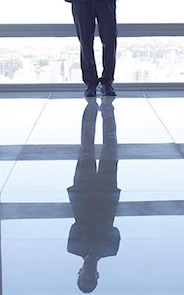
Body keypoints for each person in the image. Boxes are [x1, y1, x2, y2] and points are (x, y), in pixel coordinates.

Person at [67, 97, 120, 293]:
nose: (88, 274)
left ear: (79, 272)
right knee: (110, 147)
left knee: (86, 146)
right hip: (104, 194)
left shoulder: (107, 249)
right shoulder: (107, 250)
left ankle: (91, 108)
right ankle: (107, 109)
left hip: (84, 192)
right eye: (91, 278)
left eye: (84, 277)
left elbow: (111, 230)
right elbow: (78, 227)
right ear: (97, 275)